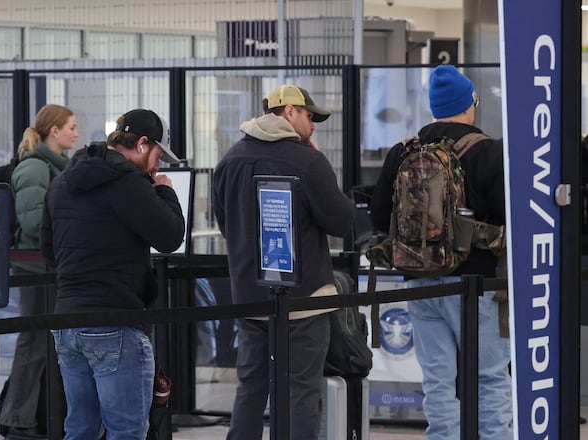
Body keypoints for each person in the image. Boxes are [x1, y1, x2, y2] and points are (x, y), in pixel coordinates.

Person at [369, 65, 512, 440]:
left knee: (437, 380)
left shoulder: (403, 152)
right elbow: (507, 215)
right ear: (469, 105)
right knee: (490, 378)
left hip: (421, 284)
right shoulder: (488, 152)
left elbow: (381, 216)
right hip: (478, 284)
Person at [212, 84, 355, 439]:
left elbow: (225, 225)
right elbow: (341, 222)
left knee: (250, 388)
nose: (313, 124)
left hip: (250, 297)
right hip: (304, 300)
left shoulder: (229, 160)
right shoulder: (308, 160)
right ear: (289, 112)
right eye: (310, 115)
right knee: (301, 390)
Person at [40, 109, 185, 439]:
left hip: (67, 324)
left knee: (80, 428)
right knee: (127, 430)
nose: (158, 165)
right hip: (115, 322)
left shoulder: (62, 181)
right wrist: (163, 190)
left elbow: (49, 252)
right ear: (143, 144)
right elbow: (170, 237)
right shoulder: (129, 183)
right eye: (159, 156)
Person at [0, 104, 78, 438]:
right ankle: (16, 418)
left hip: (48, 266)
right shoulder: (35, 169)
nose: (76, 132)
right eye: (71, 127)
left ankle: (29, 415)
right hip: (36, 267)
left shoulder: (55, 167)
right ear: (54, 131)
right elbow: (33, 222)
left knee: (43, 343)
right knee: (33, 342)